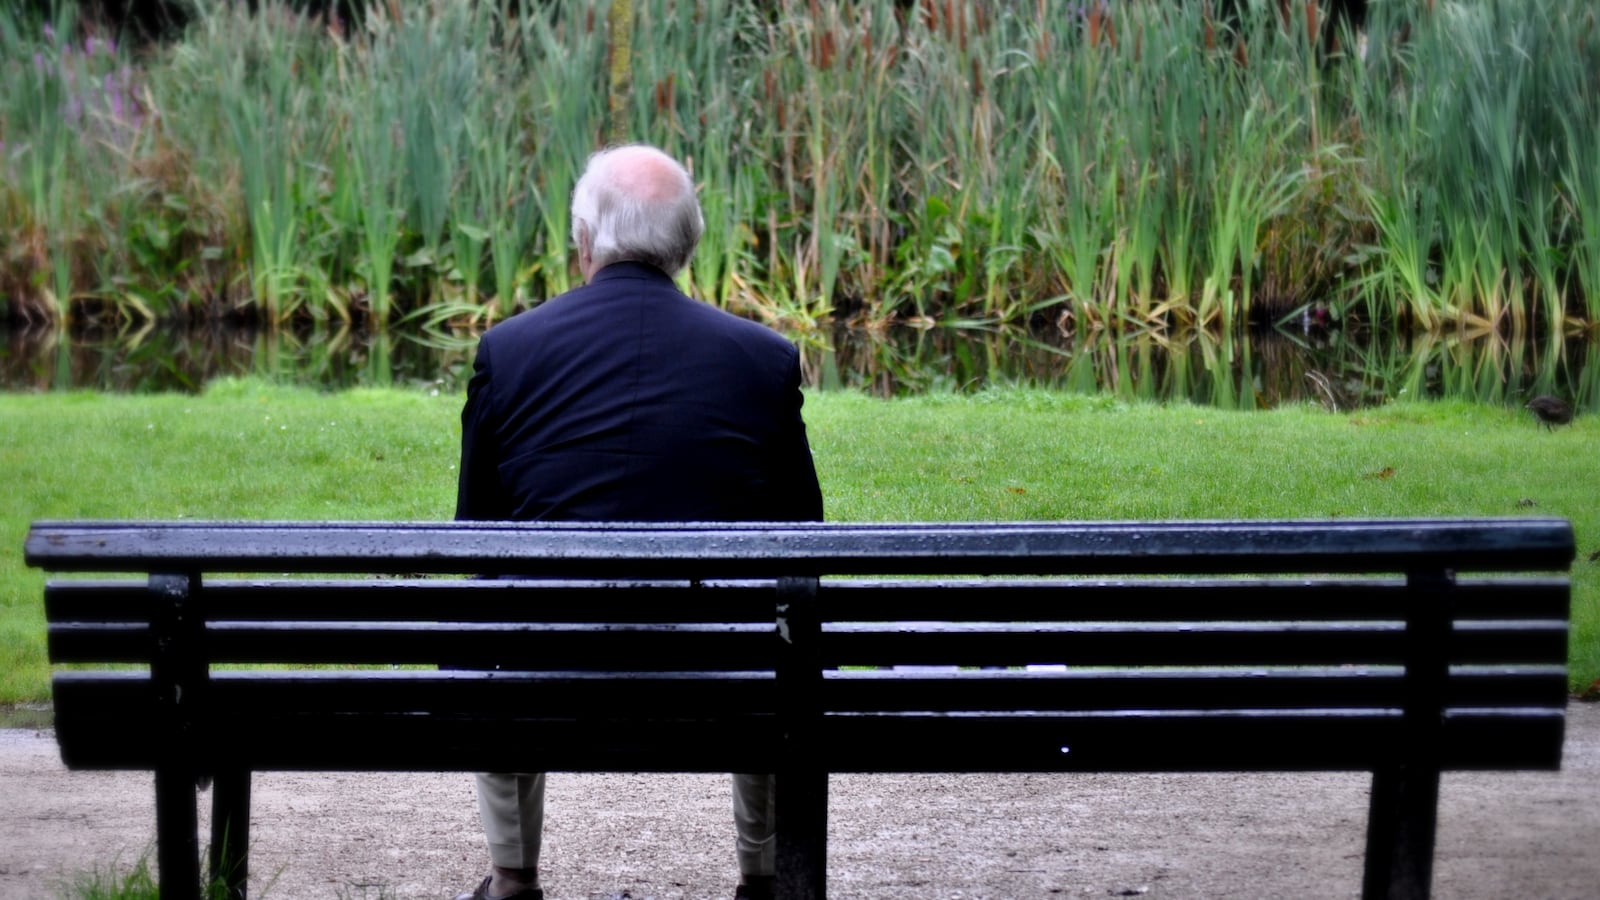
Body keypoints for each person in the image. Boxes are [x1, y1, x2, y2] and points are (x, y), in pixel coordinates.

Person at [453, 143, 824, 900]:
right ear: (686, 245)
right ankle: (762, 880)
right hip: (728, 678)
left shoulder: (509, 352)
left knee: (497, 623)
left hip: (541, 676)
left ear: (585, 241)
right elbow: (801, 541)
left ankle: (513, 879)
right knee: (773, 635)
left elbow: (475, 540)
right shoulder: (763, 360)